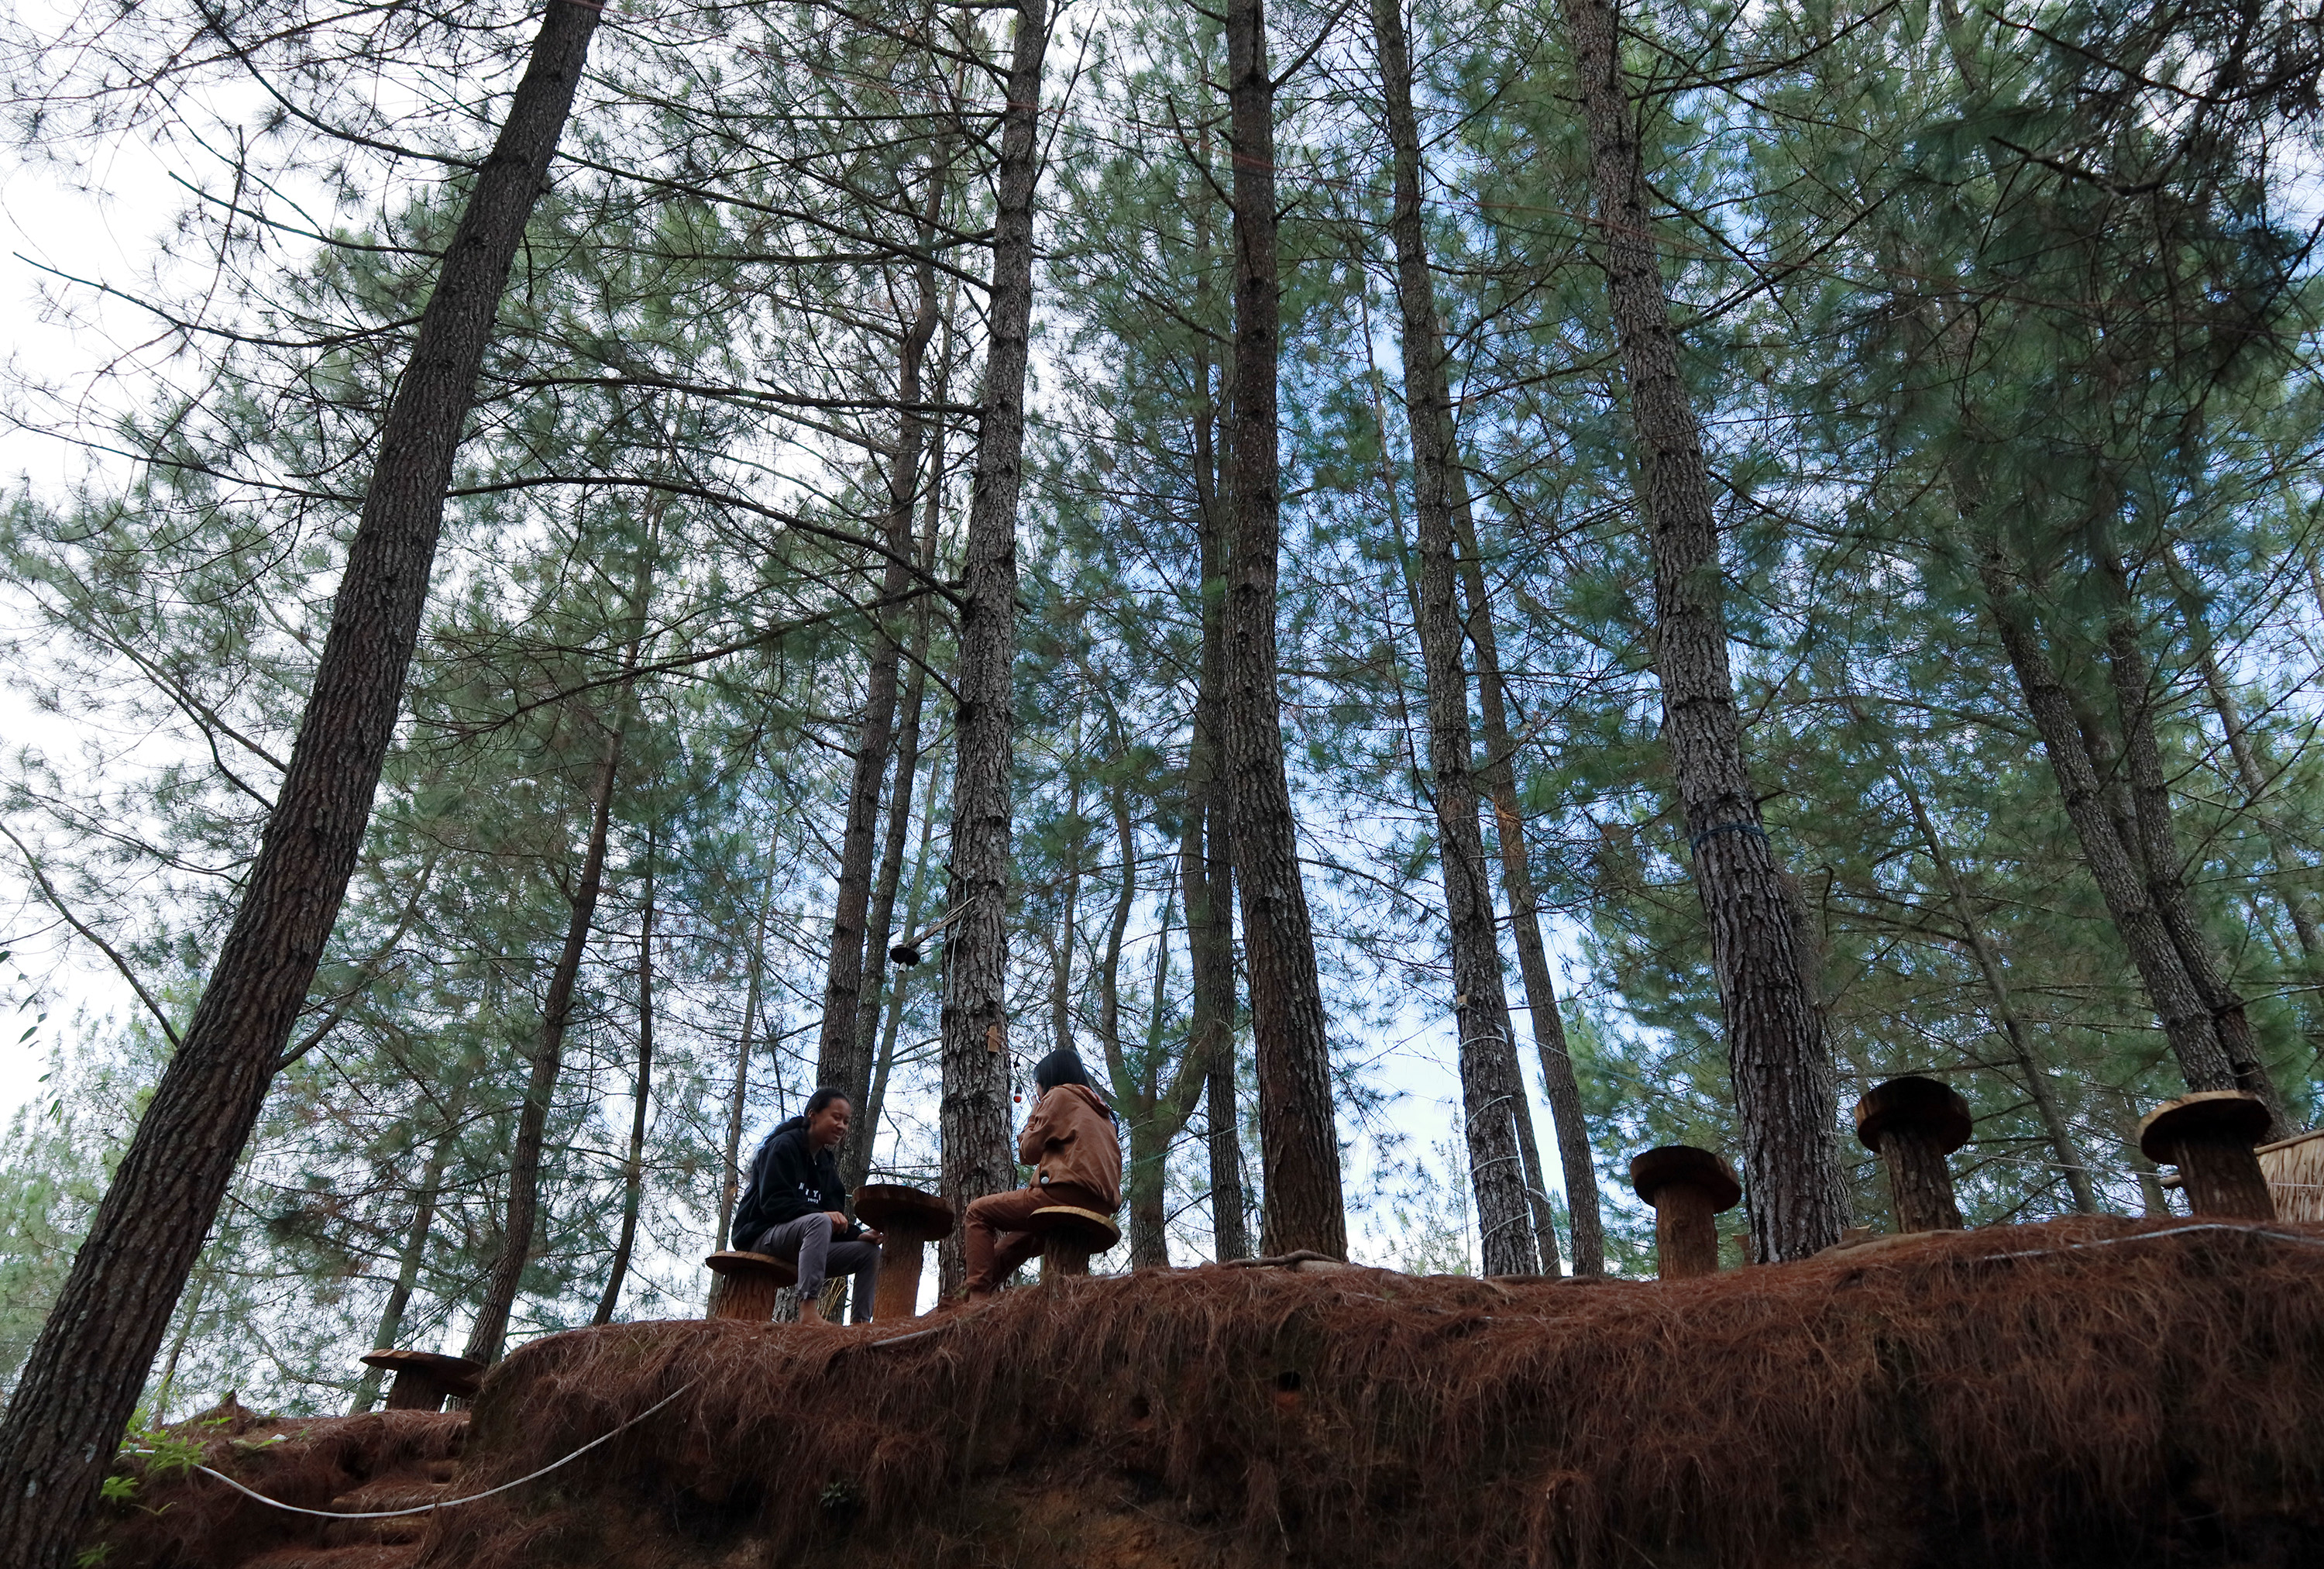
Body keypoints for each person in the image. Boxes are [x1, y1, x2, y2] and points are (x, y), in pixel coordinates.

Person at [964, 1048, 1122, 1301]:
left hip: (1062, 1197)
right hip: (1100, 1207)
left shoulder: (1059, 1095)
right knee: (1008, 1249)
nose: (1037, 1090)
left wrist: (1033, 1115)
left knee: (977, 1212)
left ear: (1048, 1080)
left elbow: (1028, 1151)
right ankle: (961, 1301)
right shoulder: (1102, 1113)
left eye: (1037, 1083)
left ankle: (976, 1302)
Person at [731, 1087, 884, 1324]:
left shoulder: (825, 1164)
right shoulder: (783, 1146)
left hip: (804, 1243)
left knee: (869, 1253)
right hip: (761, 1238)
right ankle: (808, 1310)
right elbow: (773, 1205)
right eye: (836, 1117)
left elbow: (833, 1219)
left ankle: (860, 1325)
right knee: (820, 1220)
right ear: (813, 1115)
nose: (842, 1126)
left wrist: (858, 1234)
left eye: (846, 1121)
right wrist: (822, 1216)